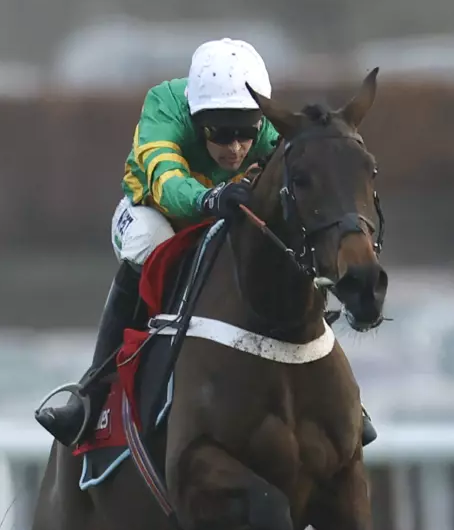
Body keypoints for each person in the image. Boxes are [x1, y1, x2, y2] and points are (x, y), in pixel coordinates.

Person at [35, 38, 378, 450]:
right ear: (197, 119)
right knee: (149, 240)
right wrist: (209, 198)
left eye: (245, 133)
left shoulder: (268, 126)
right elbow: (165, 181)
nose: (234, 147)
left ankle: (335, 387)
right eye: (220, 133)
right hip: (156, 210)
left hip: (225, 210)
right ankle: (91, 390)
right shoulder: (163, 106)